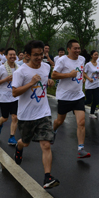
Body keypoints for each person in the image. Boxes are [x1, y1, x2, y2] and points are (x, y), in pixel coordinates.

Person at [12, 40, 59, 189]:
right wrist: (31, 82)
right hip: (26, 116)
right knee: (25, 142)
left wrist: (50, 82)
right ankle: (19, 147)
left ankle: (47, 177)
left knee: (45, 144)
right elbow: (14, 92)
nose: (39, 58)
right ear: (27, 55)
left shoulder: (45, 67)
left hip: (43, 112)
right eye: (36, 55)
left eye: (42, 55)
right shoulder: (21, 72)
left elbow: (44, 82)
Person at [51, 39, 91, 158]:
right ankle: (52, 131)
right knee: (60, 121)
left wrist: (81, 77)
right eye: (75, 48)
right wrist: (69, 75)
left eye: (79, 48)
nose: (78, 50)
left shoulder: (82, 59)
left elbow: (80, 70)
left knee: (81, 122)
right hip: (64, 96)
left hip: (78, 95)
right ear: (69, 49)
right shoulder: (62, 60)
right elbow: (54, 75)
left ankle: (81, 149)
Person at [0, 48, 20, 145]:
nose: (12, 56)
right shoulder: (1, 68)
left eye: (14, 54)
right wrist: (6, 79)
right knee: (5, 118)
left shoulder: (18, 68)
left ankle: (12, 137)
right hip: (4, 97)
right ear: (6, 56)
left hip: (15, 97)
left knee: (15, 117)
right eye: (10, 54)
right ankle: (0, 123)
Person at [84, 50, 99, 119]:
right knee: (89, 100)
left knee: (96, 100)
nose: (96, 56)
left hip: (96, 85)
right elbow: (84, 73)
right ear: (91, 56)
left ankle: (91, 113)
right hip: (89, 85)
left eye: (97, 55)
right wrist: (89, 79)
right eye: (95, 55)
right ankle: (79, 105)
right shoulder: (88, 64)